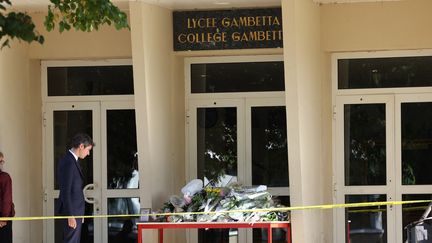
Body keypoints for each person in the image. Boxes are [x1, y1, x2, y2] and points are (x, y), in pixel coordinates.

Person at [57, 134, 94, 243]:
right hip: (72, 211)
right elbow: (65, 190)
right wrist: (70, 214)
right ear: (81, 146)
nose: (88, 153)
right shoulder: (68, 162)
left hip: (76, 211)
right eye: (88, 150)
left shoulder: (73, 161)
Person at [0, 151, 14, 243]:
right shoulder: (5, 178)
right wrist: (4, 218)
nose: (2, 164)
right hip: (3, 220)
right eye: (0, 162)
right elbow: (7, 199)